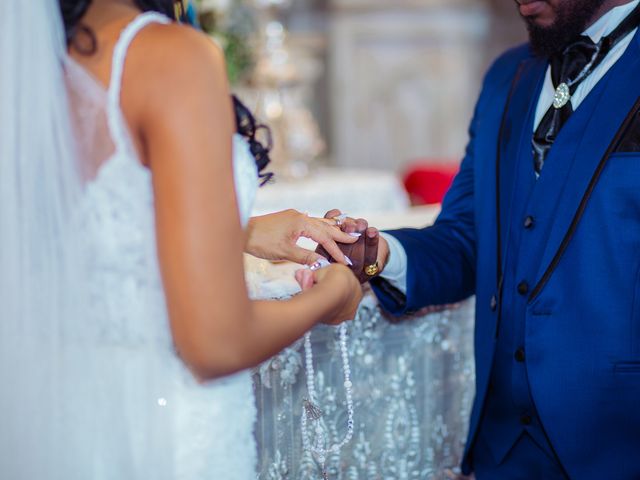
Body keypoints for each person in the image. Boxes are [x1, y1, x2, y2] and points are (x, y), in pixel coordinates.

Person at [0, 0, 373, 478]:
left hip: (49, 425)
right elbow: (215, 343)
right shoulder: (169, 57)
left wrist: (242, 230)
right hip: (165, 431)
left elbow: (71, 227)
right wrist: (334, 297)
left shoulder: (33, 54)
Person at [330, 0, 640, 478]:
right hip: (503, 451)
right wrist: (379, 255)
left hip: (618, 444)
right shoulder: (506, 76)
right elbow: (467, 238)